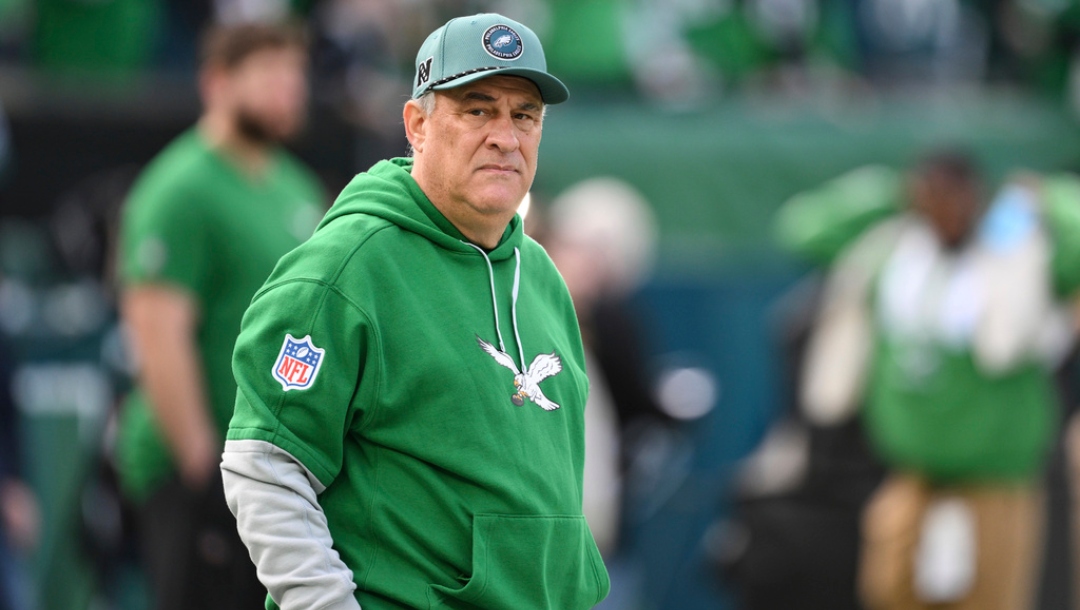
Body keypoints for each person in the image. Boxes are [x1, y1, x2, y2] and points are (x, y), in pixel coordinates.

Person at [220, 13, 611, 610]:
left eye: (524, 115)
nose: (505, 136)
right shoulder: (348, 264)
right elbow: (264, 468)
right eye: (478, 110)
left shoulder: (542, 276)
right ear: (418, 124)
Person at [774, 150, 1080, 610]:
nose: (946, 212)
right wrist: (887, 194)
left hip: (996, 482)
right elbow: (802, 229)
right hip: (910, 475)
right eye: (932, 197)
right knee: (888, 592)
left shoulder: (1017, 260)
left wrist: (1046, 196)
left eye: (956, 197)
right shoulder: (893, 255)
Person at [116, 21, 325, 610]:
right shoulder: (180, 186)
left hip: (273, 473)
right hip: (200, 474)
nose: (287, 89)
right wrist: (202, 471)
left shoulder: (296, 187)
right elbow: (158, 335)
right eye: (268, 74)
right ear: (216, 81)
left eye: (294, 74)